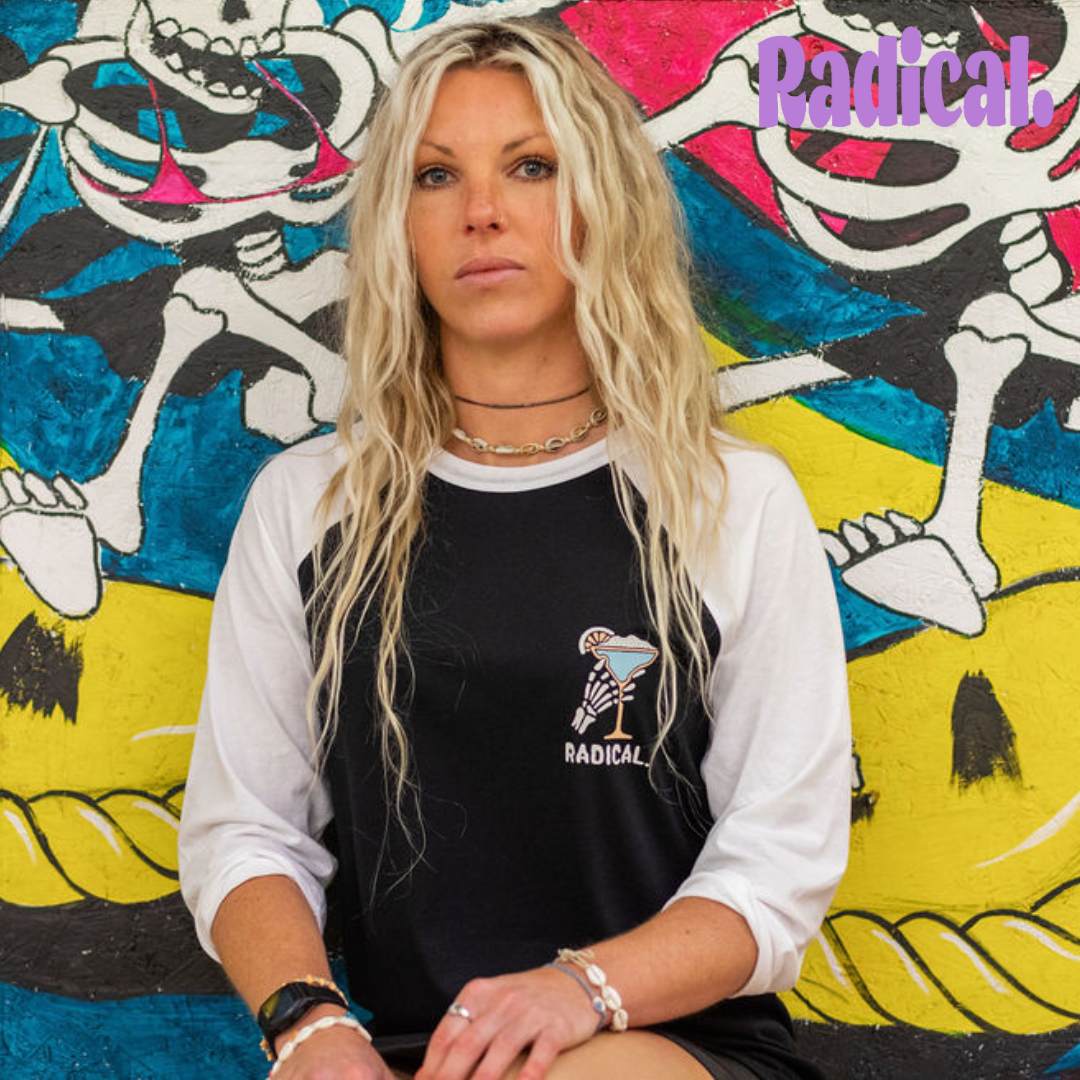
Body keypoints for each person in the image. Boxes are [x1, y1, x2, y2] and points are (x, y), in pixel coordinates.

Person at [178, 18, 851, 1080]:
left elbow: (776, 871)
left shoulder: (728, 501)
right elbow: (246, 832)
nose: (482, 211)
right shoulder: (309, 505)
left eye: (531, 167)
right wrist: (308, 1026)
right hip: (405, 1051)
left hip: (658, 1039)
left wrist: (580, 988)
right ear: (397, 228)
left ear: (602, 204)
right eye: (436, 175)